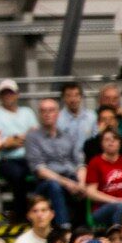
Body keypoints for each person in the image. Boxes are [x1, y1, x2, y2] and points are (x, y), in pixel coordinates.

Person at [25, 97, 86, 227]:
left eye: (51, 110)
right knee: (55, 186)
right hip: (47, 182)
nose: (47, 114)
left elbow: (80, 163)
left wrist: (81, 182)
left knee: (87, 184)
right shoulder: (32, 137)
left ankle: (86, 229)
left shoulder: (67, 136)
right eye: (43, 111)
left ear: (58, 114)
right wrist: (66, 183)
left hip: (71, 177)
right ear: (39, 115)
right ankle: (64, 227)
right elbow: (40, 170)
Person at [0, 79, 35, 219]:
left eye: (10, 93)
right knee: (18, 176)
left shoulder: (28, 112)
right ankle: (21, 216)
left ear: (17, 95)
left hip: (30, 157)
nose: (8, 96)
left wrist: (12, 139)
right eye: (4, 93)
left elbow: (34, 134)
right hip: (6, 159)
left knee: (43, 172)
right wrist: (11, 141)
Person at [82, 128, 122, 227]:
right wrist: (116, 200)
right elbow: (91, 193)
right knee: (120, 206)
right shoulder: (95, 163)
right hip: (102, 208)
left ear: (120, 143)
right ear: (102, 143)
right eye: (107, 139)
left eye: (114, 139)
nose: (111, 142)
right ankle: (118, 236)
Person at [58, 80, 97, 150]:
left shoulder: (92, 117)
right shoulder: (57, 119)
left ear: (81, 97)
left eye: (76, 95)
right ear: (63, 98)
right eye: (69, 95)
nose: (73, 99)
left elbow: (96, 140)